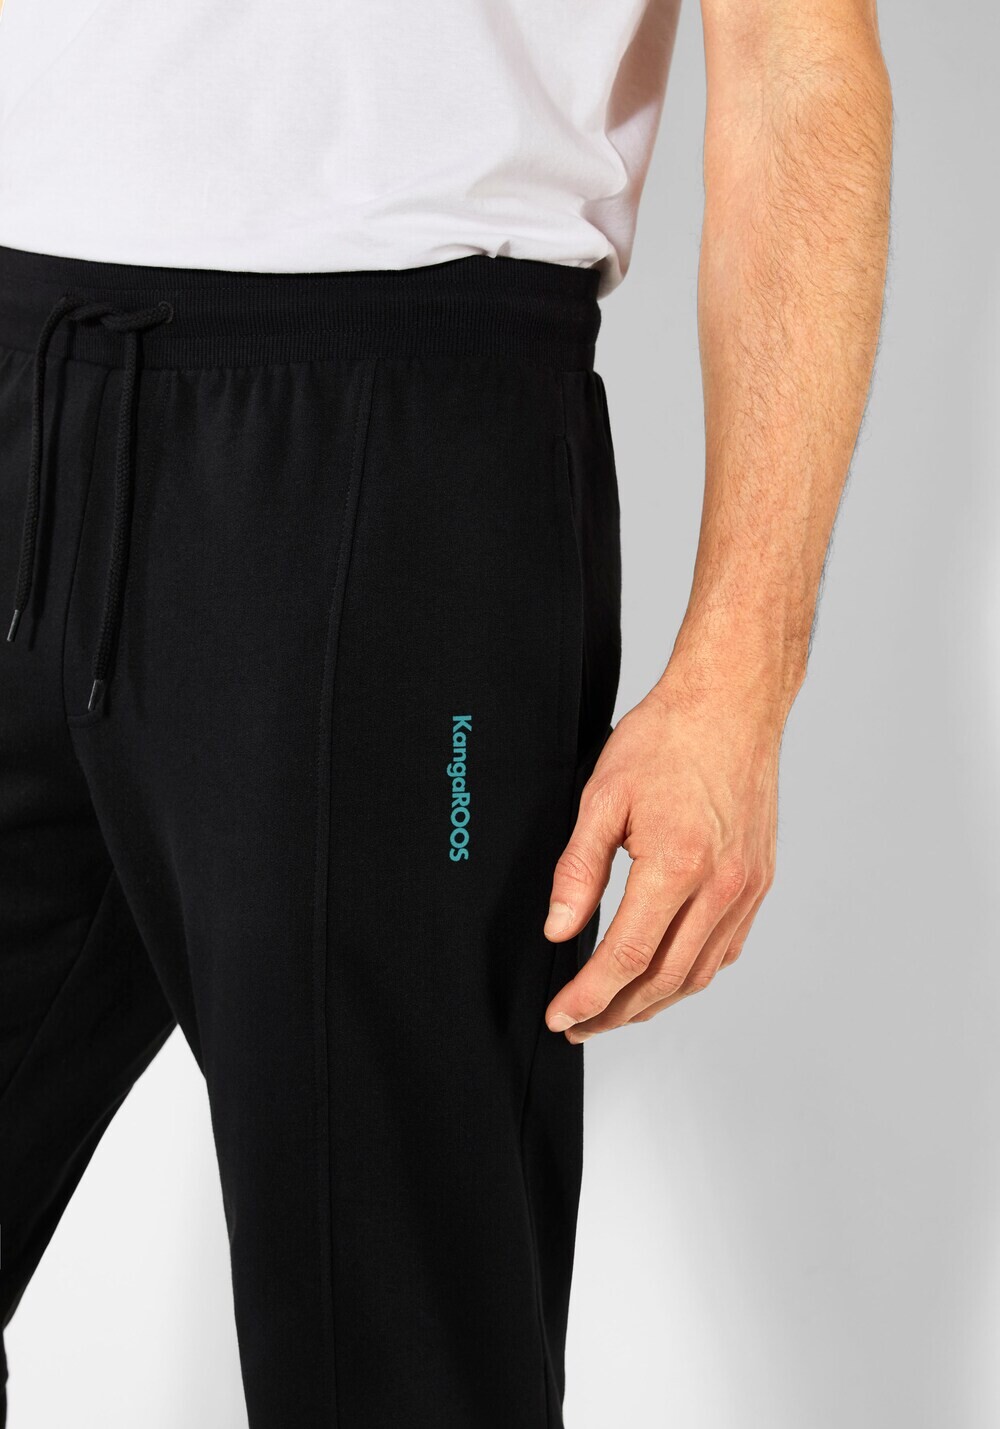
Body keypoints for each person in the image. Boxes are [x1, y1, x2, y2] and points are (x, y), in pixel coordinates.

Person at [0, 0, 892, 1424]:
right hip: (20, 358)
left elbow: (797, 55)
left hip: (394, 433)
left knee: (397, 1361)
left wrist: (741, 673)